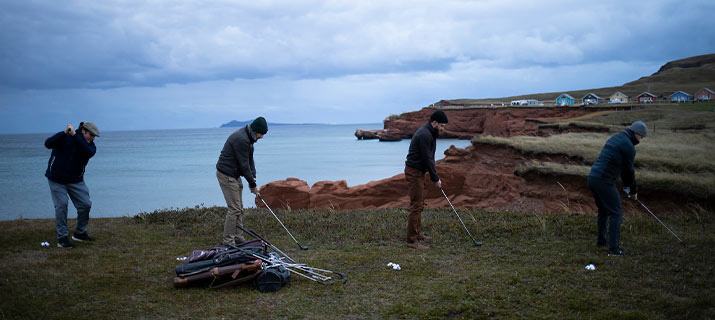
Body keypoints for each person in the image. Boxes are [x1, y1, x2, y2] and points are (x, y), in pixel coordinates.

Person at [587, 120, 647, 256]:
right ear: (637, 133)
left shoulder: (617, 137)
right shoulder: (628, 147)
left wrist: (627, 188)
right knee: (616, 212)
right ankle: (614, 249)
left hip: (593, 177)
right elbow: (629, 172)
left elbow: (620, 167)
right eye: (642, 137)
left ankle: (602, 242)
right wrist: (632, 191)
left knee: (603, 211)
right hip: (603, 181)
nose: (641, 140)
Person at [45, 122, 100, 248]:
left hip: (76, 180)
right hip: (56, 179)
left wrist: (75, 135)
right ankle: (62, 238)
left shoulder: (90, 147)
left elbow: (86, 150)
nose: (92, 138)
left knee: (86, 204)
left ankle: (80, 233)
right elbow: (48, 144)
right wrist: (64, 133)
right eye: (91, 135)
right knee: (62, 205)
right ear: (84, 131)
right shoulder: (65, 137)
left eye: (94, 136)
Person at [216, 117, 268, 246]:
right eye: (261, 134)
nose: (261, 137)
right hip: (226, 175)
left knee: (239, 208)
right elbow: (244, 165)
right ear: (255, 131)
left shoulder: (249, 139)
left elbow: (250, 161)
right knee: (234, 209)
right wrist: (253, 185)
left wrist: (253, 179)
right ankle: (228, 241)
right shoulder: (241, 140)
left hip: (234, 174)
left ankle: (238, 237)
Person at [404, 110, 449, 249]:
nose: (443, 129)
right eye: (441, 126)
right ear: (434, 122)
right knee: (416, 206)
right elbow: (427, 159)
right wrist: (435, 179)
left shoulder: (430, 133)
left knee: (420, 203)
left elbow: (429, 157)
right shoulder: (425, 135)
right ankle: (412, 241)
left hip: (419, 172)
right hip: (414, 172)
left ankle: (417, 234)